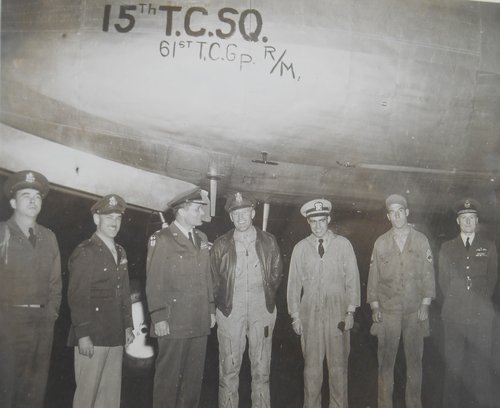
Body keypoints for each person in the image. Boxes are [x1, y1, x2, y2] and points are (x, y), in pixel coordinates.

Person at [211, 192, 283, 408]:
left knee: (262, 371)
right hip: (231, 312)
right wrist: (222, 308)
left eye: (245, 213)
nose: (241, 218)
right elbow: (214, 279)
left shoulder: (268, 241)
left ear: (253, 213)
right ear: (231, 218)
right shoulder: (221, 245)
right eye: (236, 214)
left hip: (262, 310)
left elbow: (277, 273)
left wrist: (265, 298)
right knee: (228, 372)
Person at [287, 199, 360, 408]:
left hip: (338, 313)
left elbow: (352, 280)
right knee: (311, 370)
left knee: (338, 369)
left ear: (328, 219)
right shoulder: (300, 248)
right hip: (309, 313)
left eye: (321, 220)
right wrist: (295, 316)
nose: (318, 226)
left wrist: (350, 312)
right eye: (313, 221)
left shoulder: (343, 244)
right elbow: (293, 285)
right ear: (308, 222)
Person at [146, 188, 215, 408]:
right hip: (173, 324)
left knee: (192, 385)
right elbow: (154, 280)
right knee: (168, 384)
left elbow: (207, 277)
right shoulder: (163, 239)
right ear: (181, 212)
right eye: (197, 209)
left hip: (198, 322)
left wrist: (211, 310)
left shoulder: (202, 238)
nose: (201, 213)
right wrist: (158, 317)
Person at [0, 170, 62, 407]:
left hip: (41, 324)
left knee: (35, 392)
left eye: (37, 196)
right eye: (26, 195)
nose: (33, 200)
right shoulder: (2, 233)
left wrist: (50, 315)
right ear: (13, 202)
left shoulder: (49, 237)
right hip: (7, 324)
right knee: (6, 390)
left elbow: (55, 283)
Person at [367, 194, 435, 408]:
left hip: (415, 312)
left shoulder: (421, 240)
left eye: (400, 212)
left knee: (415, 363)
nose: (397, 216)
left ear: (407, 212)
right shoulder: (380, 243)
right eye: (392, 213)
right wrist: (375, 306)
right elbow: (373, 277)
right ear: (388, 217)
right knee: (386, 364)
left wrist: (425, 303)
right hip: (388, 312)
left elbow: (428, 274)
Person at [67, 194, 134, 408]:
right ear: (97, 219)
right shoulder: (85, 252)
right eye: (109, 217)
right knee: (87, 398)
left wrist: (128, 326)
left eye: (118, 218)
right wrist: (83, 334)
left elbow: (124, 292)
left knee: (110, 399)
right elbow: (77, 296)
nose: (114, 222)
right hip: (92, 337)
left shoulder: (120, 251)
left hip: (115, 335)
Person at [438, 198, 497, 408]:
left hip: (481, 317)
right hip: (454, 316)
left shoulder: (489, 247)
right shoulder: (446, 247)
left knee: (481, 368)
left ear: (477, 220)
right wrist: (460, 300)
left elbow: (491, 280)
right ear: (458, 221)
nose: (468, 222)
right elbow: (443, 282)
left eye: (471, 218)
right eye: (464, 218)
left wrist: (477, 303)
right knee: (453, 369)